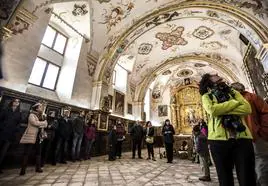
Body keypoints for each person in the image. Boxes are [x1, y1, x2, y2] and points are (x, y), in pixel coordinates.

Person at [199, 73, 255, 186]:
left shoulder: (234, 93)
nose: (220, 78)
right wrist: (234, 103)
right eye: (216, 78)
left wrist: (222, 109)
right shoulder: (207, 96)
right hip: (218, 141)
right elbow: (212, 110)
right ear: (210, 83)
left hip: (242, 138)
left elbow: (247, 109)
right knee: (225, 179)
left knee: (247, 177)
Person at [231, 82, 268, 186]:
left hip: (257, 136)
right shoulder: (231, 101)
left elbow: (265, 112)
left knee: (262, 163)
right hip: (242, 139)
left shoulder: (251, 97)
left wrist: (262, 131)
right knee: (247, 165)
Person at [19, 103, 47, 175]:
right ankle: (23, 169)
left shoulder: (42, 115)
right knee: (27, 153)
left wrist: (42, 123)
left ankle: (38, 168)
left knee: (38, 152)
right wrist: (42, 123)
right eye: (40, 107)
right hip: (31, 135)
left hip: (38, 137)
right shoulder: (32, 115)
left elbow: (46, 124)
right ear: (36, 108)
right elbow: (34, 123)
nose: (42, 108)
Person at [0, 99, 21, 173]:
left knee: (3, 151)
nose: (16, 103)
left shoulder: (18, 113)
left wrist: (15, 129)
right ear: (12, 102)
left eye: (18, 102)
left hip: (10, 135)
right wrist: (2, 127)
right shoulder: (6, 110)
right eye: (15, 101)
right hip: (2, 133)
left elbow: (19, 123)